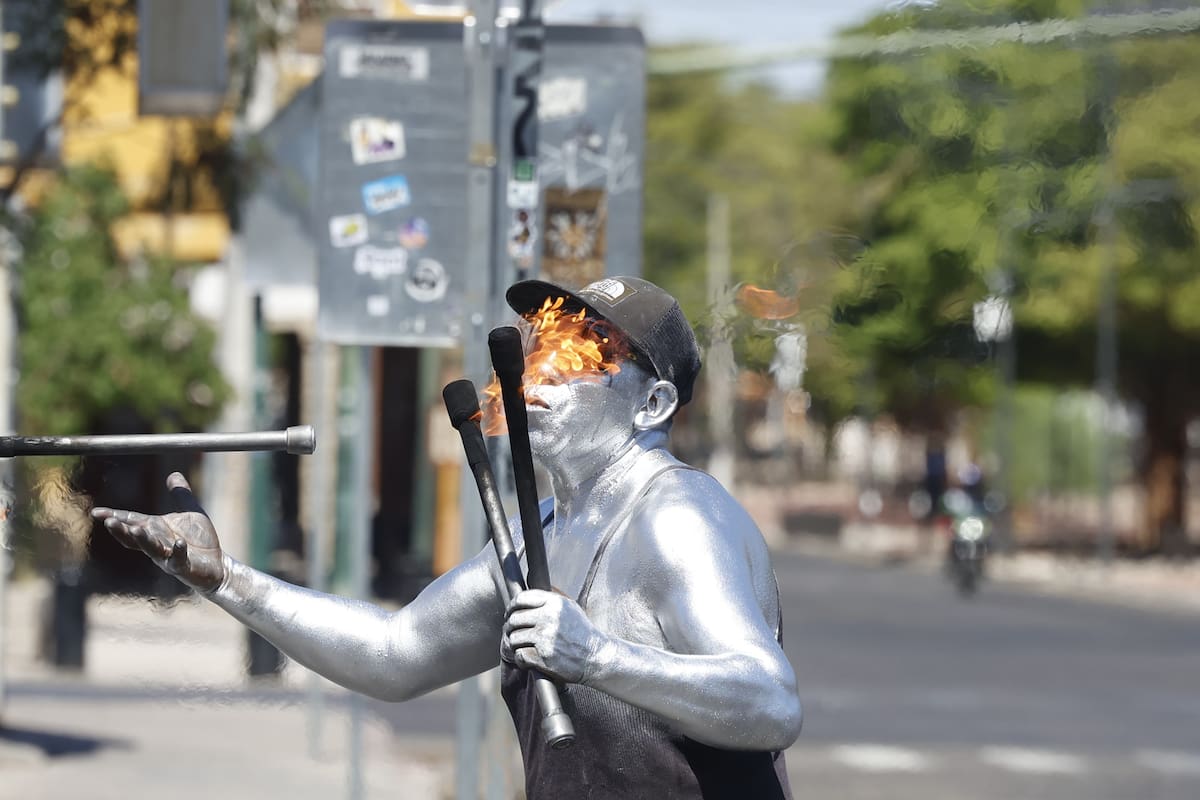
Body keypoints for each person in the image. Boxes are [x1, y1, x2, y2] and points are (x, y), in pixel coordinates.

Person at [92, 275, 802, 799]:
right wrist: (226, 579)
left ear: (653, 402)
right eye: (542, 344)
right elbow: (394, 654)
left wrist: (598, 656)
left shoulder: (674, 514)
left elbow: (770, 703)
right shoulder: (541, 535)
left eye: (586, 354)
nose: (543, 368)